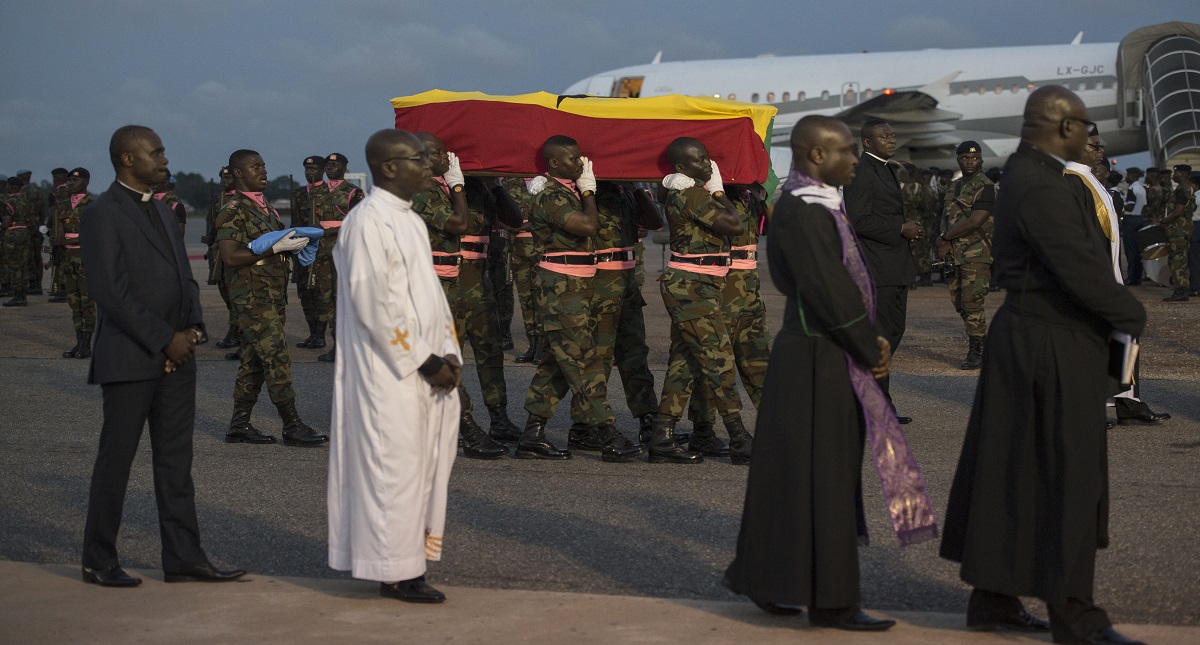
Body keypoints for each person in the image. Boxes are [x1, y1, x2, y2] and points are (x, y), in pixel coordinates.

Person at [939, 87, 1147, 645]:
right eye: (1083, 124)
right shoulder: (1041, 183)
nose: (1090, 134)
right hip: (1051, 341)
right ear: (1058, 125)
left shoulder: (1028, 175)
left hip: (1035, 337)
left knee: (1013, 470)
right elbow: (1079, 267)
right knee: (1068, 476)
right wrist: (1131, 312)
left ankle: (994, 597)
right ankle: (1074, 614)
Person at [725, 115, 936, 632]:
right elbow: (827, 290)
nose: (854, 160)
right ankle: (832, 601)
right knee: (824, 481)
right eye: (845, 151)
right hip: (821, 357)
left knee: (798, 480)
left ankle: (770, 579)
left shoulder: (811, 204)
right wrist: (869, 345)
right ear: (815, 156)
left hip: (818, 354)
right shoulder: (805, 211)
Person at [80, 125, 245, 587]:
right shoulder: (102, 214)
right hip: (131, 357)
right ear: (127, 159)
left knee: (176, 463)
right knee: (117, 460)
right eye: (156, 153)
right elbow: (109, 291)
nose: (165, 160)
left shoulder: (165, 212)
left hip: (178, 356)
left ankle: (184, 557)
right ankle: (99, 558)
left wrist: (191, 330)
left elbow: (183, 279)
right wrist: (163, 338)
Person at [327, 128, 461, 604]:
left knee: (420, 466)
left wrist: (448, 353)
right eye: (418, 159)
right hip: (389, 373)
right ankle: (393, 571)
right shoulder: (367, 221)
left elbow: (430, 297)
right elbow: (373, 302)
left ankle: (408, 563)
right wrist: (422, 360)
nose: (429, 166)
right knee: (393, 467)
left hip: (425, 369)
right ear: (388, 167)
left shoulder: (412, 220)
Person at [519, 135, 642, 462]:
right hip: (561, 288)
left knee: (560, 363)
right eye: (573, 159)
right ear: (555, 163)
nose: (581, 163)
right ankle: (607, 435)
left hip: (580, 285)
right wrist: (588, 190)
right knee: (583, 362)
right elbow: (588, 225)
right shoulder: (550, 196)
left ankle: (532, 434)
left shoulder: (567, 191)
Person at [215, 149, 327, 447]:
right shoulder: (234, 209)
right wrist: (274, 249)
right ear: (238, 173)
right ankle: (292, 424)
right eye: (255, 167)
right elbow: (230, 256)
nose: (262, 171)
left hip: (271, 293)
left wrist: (289, 247)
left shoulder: (264, 208)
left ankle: (239, 425)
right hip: (252, 296)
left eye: (263, 166)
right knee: (276, 356)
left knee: (254, 359)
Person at [410, 133, 506, 460]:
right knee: (447, 351)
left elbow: (513, 218)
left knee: (488, 347)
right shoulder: (425, 189)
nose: (446, 156)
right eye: (437, 152)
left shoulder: (461, 185)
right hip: (439, 280)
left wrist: (492, 185)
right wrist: (458, 186)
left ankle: (498, 417)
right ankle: (465, 425)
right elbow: (459, 224)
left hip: (471, 274)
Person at [567, 181, 663, 452]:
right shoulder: (589, 194)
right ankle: (582, 426)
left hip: (627, 282)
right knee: (598, 358)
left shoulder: (628, 194)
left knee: (635, 355)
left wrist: (635, 189)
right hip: (601, 283)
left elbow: (654, 221)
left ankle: (648, 419)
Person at [682, 182, 769, 459]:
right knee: (716, 361)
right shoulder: (711, 193)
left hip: (748, 286)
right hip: (723, 284)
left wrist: (761, 193)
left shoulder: (750, 195)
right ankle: (703, 431)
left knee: (758, 359)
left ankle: (779, 428)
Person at [843, 119, 921, 423]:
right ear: (867, 142)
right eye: (884, 136)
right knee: (882, 337)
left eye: (893, 134)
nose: (892, 140)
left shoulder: (885, 168)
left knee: (892, 333)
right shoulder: (862, 172)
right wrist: (900, 228)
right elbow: (858, 220)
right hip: (877, 267)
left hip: (895, 265)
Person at [935, 141, 996, 371]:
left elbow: (975, 220)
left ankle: (977, 351)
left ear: (980, 160)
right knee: (959, 302)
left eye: (974, 157)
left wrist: (945, 237)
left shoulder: (985, 186)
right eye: (965, 158)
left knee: (972, 303)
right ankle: (980, 341)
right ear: (958, 160)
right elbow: (945, 214)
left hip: (977, 253)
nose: (970, 161)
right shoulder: (954, 186)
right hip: (954, 253)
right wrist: (943, 238)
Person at [312, 152, 365, 363]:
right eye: (327, 165)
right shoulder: (317, 192)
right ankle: (337, 344)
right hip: (320, 252)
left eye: (335, 164)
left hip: (343, 249)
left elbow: (358, 222)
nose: (330, 168)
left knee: (344, 297)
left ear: (345, 167)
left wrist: (328, 232)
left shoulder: (354, 192)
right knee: (326, 299)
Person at [54, 167, 97, 358]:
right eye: (70, 180)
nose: (71, 183)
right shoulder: (62, 205)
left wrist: (66, 241)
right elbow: (57, 232)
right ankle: (79, 343)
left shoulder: (92, 205)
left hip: (85, 258)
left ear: (86, 182)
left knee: (87, 302)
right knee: (74, 302)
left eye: (76, 181)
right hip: (67, 259)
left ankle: (87, 345)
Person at [204, 167, 240, 356]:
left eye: (228, 177)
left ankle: (235, 332)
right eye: (222, 178)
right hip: (217, 253)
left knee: (234, 293)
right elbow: (210, 224)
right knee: (224, 291)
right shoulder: (218, 199)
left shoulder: (240, 199)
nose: (224, 181)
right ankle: (235, 328)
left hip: (233, 251)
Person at [293, 155, 326, 350]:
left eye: (313, 169)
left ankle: (320, 335)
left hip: (321, 251)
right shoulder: (298, 194)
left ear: (322, 170)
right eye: (307, 169)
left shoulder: (328, 193)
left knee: (320, 293)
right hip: (301, 248)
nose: (309, 172)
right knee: (304, 293)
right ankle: (312, 333)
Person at [1160, 164, 1196, 301]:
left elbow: (1178, 211)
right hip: (1183, 229)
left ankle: (1180, 291)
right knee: (1182, 260)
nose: (1173, 176)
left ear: (1185, 174)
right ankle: (1183, 289)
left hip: (1178, 230)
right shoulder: (1187, 188)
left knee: (1177, 261)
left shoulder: (1182, 189)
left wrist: (1164, 220)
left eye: (1176, 173)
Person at [1, 177, 36, 307]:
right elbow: (32, 221)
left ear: (12, 186)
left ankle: (17, 295)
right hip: (24, 232)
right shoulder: (26, 201)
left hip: (12, 234)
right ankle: (23, 295)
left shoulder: (9, 202)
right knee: (23, 264)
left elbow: (6, 223)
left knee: (14, 265)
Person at [46, 167, 71, 303]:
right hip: (73, 229)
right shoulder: (74, 190)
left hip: (59, 228)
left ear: (56, 179)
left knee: (58, 259)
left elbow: (54, 213)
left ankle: (61, 290)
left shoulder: (57, 193)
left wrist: (49, 226)